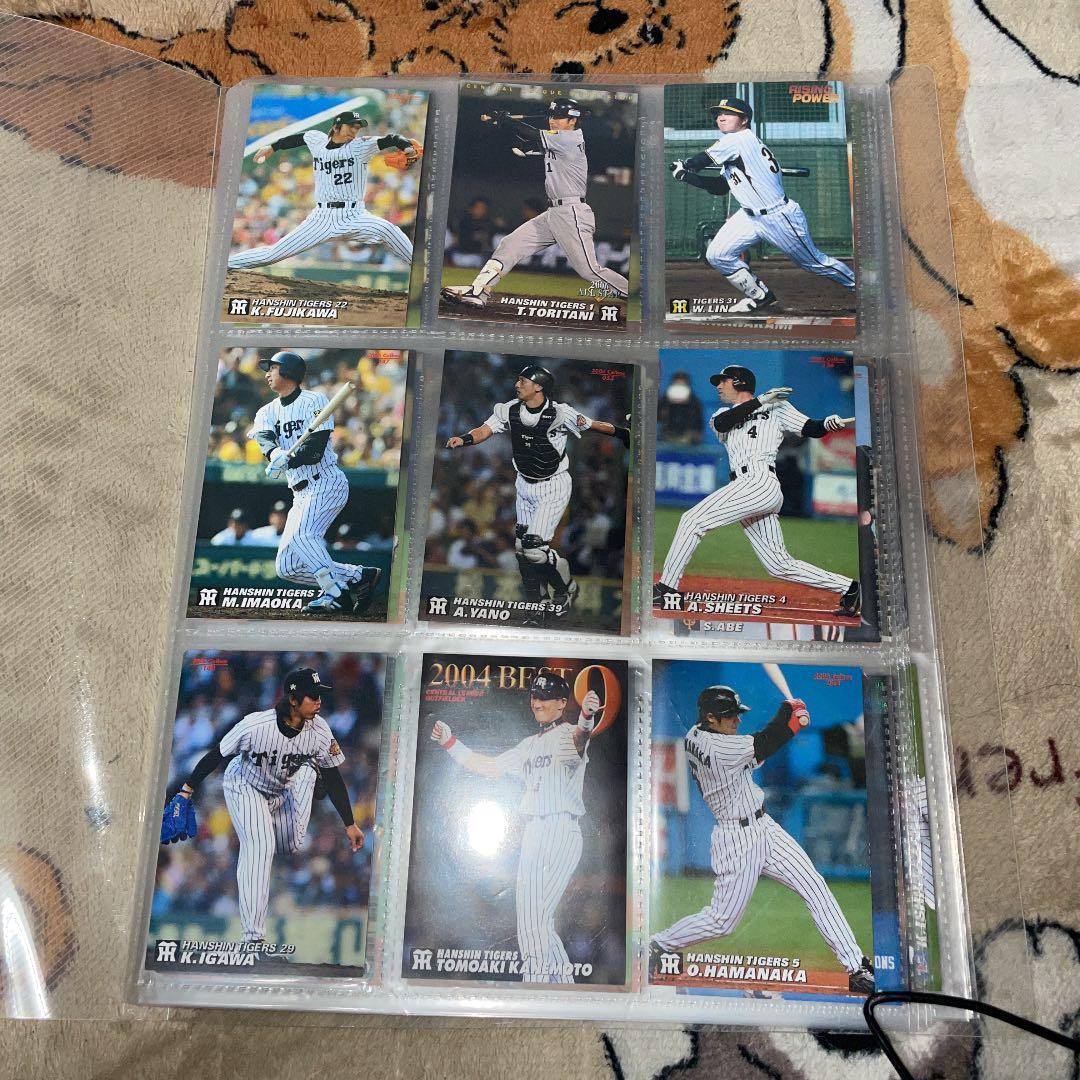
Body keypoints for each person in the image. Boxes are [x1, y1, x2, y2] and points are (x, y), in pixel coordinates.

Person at [649, 684, 875, 995]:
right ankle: (660, 944)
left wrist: (788, 717)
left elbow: (760, 748)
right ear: (711, 718)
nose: (737, 720)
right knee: (722, 922)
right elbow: (765, 742)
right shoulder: (717, 748)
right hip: (736, 838)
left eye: (736, 714)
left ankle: (856, 966)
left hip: (764, 827)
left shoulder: (694, 734)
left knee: (815, 886)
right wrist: (790, 718)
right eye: (730, 716)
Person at [161, 668, 364, 950]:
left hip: (282, 791)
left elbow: (333, 777)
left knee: (294, 838)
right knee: (260, 845)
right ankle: (253, 938)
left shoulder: (320, 731)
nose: (319, 701)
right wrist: (186, 790)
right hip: (245, 785)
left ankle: (298, 789)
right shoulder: (255, 725)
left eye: (320, 695)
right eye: (312, 696)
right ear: (293, 699)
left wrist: (349, 823)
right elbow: (216, 755)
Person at [430, 670, 600, 983]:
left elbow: (580, 739)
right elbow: (489, 766)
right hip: (534, 832)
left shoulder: (568, 733)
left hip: (561, 829)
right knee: (534, 922)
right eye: (535, 696)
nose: (538, 702)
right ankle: (563, 988)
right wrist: (450, 743)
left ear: (562, 703)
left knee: (535, 921)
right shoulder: (527, 745)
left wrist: (587, 717)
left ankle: (535, 988)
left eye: (545, 697)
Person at [653, 364, 861, 618]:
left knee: (692, 520)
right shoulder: (721, 414)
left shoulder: (778, 407)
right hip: (744, 485)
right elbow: (724, 423)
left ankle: (666, 589)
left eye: (723, 381)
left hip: (759, 481)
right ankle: (850, 588)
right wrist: (761, 400)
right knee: (778, 565)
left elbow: (810, 428)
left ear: (739, 382)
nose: (718, 386)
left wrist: (829, 424)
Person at [445, 364, 630, 622]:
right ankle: (537, 606)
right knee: (522, 551)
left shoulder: (559, 413)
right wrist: (464, 439)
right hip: (524, 484)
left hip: (552, 485)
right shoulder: (508, 410)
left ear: (539, 386)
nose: (517, 384)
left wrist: (623, 433)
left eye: (523, 380)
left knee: (534, 548)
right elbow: (484, 430)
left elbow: (592, 425)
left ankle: (566, 589)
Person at [670, 98, 855, 312]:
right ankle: (761, 297)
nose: (721, 118)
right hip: (749, 216)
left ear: (744, 120)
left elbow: (700, 160)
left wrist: (685, 165)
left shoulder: (739, 139)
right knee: (717, 255)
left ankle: (865, 291)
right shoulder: (735, 149)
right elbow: (719, 187)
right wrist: (685, 175)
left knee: (815, 263)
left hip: (778, 217)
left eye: (728, 113)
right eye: (718, 114)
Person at [441, 98, 629, 308]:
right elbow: (528, 142)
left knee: (588, 270)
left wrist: (506, 120)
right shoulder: (558, 140)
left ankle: (635, 296)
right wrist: (503, 124)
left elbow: (532, 134)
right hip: (554, 213)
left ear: (572, 121)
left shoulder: (570, 139)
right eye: (552, 116)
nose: (553, 120)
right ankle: (478, 292)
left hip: (571, 212)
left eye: (559, 117)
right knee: (510, 244)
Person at [248, 350, 380, 615]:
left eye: (272, 368)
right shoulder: (266, 411)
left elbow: (315, 450)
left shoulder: (314, 400)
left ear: (288, 371)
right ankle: (358, 576)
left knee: (304, 537)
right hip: (299, 494)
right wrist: (274, 454)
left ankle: (335, 593)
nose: (267, 374)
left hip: (326, 482)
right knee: (287, 567)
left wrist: (290, 460)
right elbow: (264, 438)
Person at [228, 110, 419, 272]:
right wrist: (273, 147)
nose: (355, 131)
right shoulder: (316, 140)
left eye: (357, 127)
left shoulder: (360, 146)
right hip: (322, 217)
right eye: (351, 126)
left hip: (354, 214)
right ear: (337, 127)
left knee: (389, 230)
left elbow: (392, 139)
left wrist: (407, 148)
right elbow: (297, 139)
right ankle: (225, 265)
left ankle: (425, 274)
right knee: (273, 253)